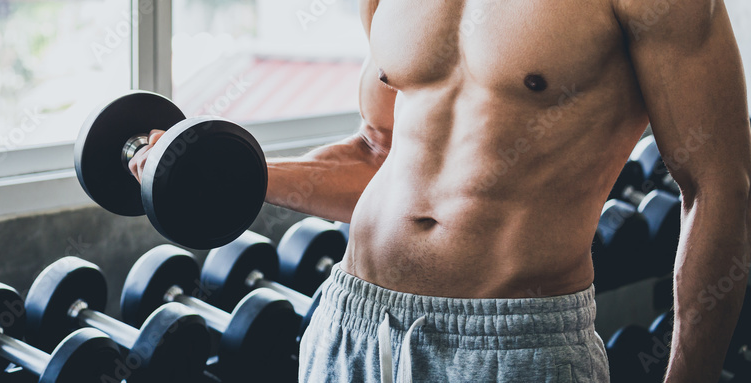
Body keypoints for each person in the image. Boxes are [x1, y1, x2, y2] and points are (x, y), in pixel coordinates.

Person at [130, 0, 751, 381]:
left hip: (512, 341)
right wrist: (218, 169)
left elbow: (719, 186)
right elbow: (377, 155)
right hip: (349, 323)